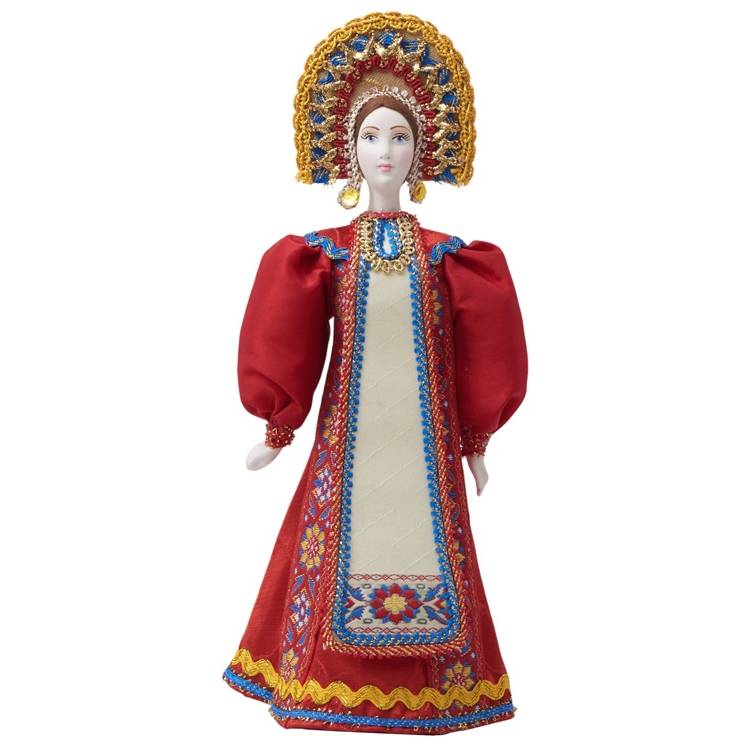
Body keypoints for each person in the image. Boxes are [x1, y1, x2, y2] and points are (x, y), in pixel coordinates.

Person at [222, 13, 528, 734]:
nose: (383, 151)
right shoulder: (321, 253)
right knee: (332, 540)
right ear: (347, 149)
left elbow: (487, 348)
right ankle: (318, 680)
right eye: (370, 137)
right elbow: (286, 336)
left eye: (398, 137)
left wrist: (477, 440)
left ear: (420, 153)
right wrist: (277, 425)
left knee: (433, 541)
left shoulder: (450, 256)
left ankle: (441, 690)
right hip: (347, 441)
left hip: (427, 447)